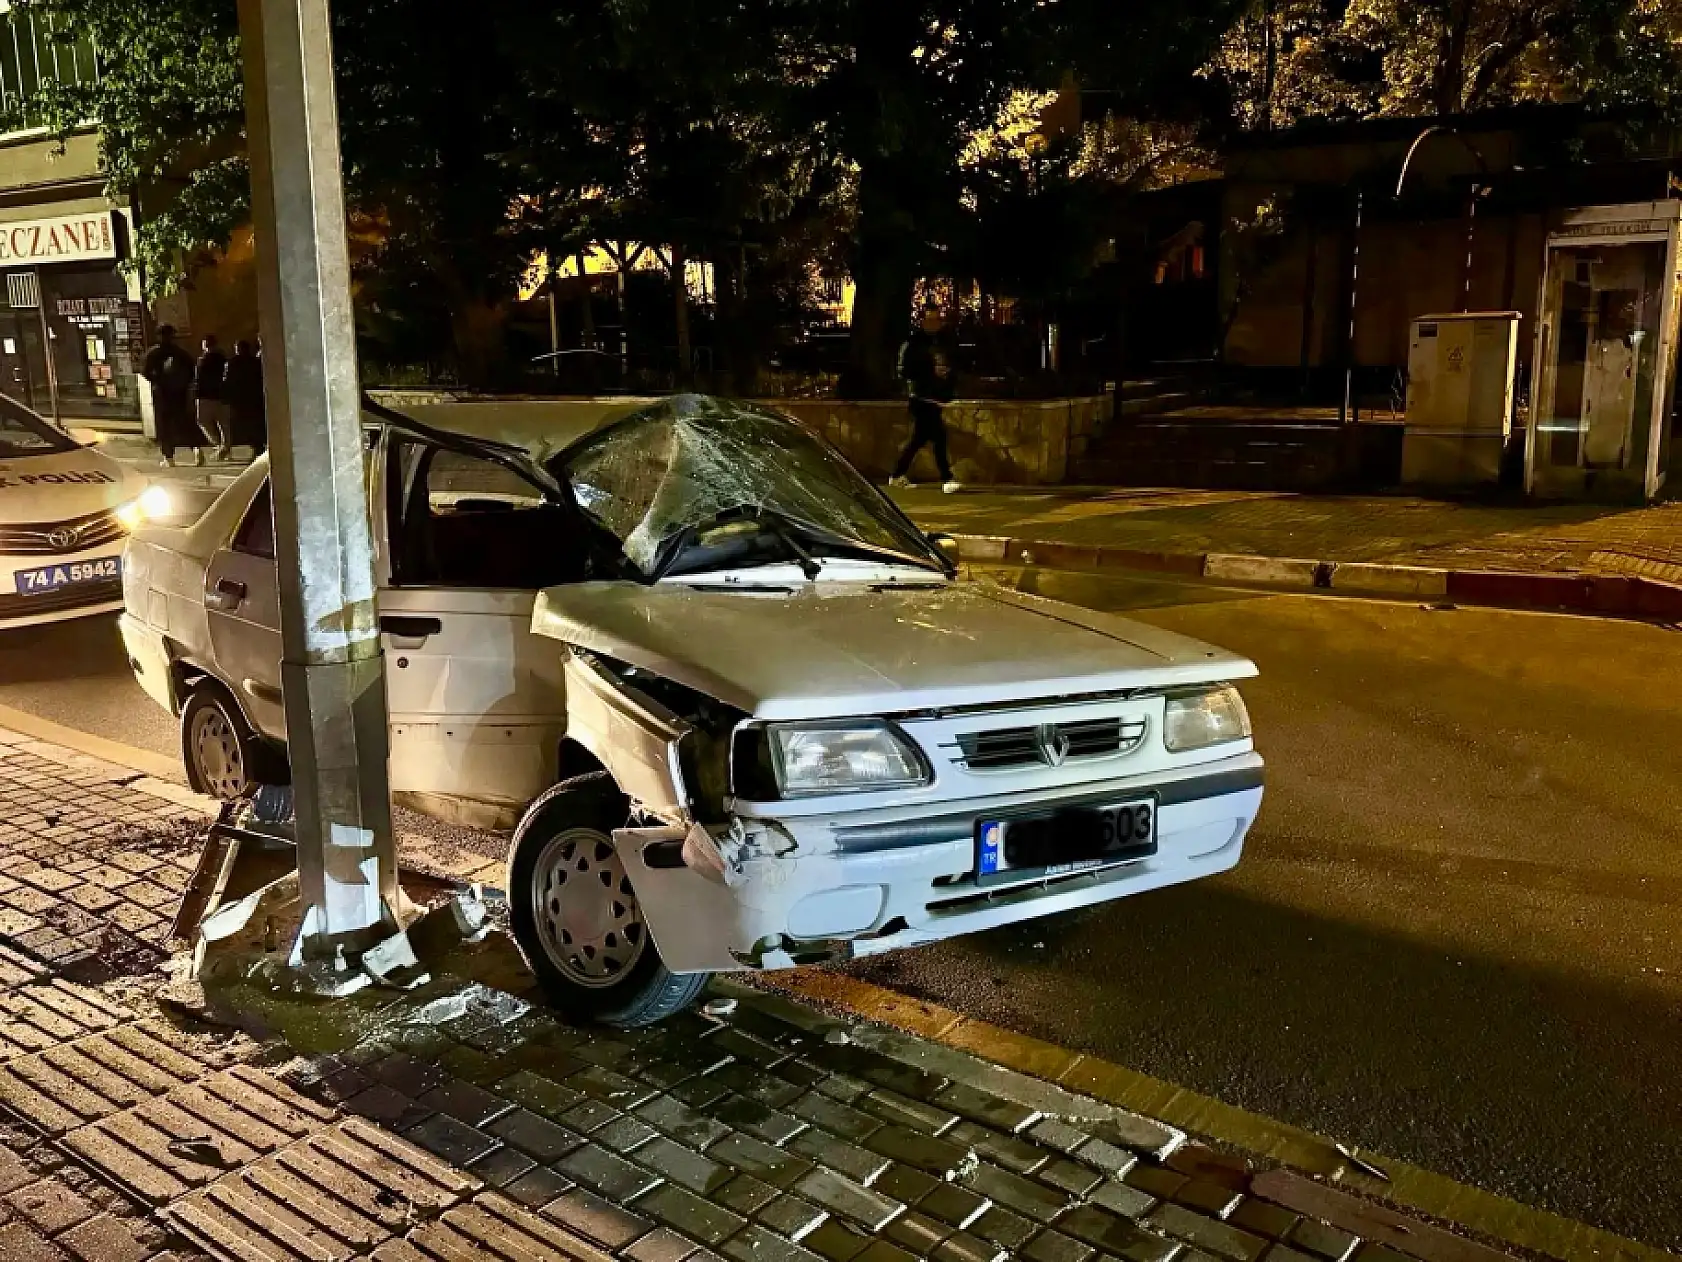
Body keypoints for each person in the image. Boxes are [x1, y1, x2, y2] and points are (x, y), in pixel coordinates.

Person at [889, 308, 961, 493]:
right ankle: (946, 477)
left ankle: (897, 474)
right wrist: (929, 371)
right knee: (938, 436)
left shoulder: (943, 341)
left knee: (919, 439)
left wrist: (947, 380)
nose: (934, 324)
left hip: (935, 397)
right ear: (922, 321)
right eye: (930, 320)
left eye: (937, 320)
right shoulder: (913, 343)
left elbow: (952, 363)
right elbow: (905, 370)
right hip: (920, 397)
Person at [140, 325, 201, 467]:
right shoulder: (181, 353)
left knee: (164, 427)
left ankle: (169, 458)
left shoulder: (153, 353)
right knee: (183, 423)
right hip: (179, 395)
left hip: (161, 395)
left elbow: (145, 372)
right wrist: (183, 384)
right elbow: (192, 371)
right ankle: (195, 449)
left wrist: (157, 380)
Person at [223, 339, 267, 457]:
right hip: (255, 396)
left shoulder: (232, 363)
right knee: (256, 422)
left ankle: (255, 446)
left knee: (245, 423)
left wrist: (227, 397)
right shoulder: (256, 362)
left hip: (240, 398)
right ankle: (259, 445)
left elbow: (227, 381)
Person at [194, 334, 231, 460]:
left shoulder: (203, 360)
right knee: (223, 422)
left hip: (205, 395)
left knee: (202, 420)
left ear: (206, 345)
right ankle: (225, 446)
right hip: (221, 394)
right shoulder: (223, 359)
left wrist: (195, 392)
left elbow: (199, 378)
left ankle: (218, 444)